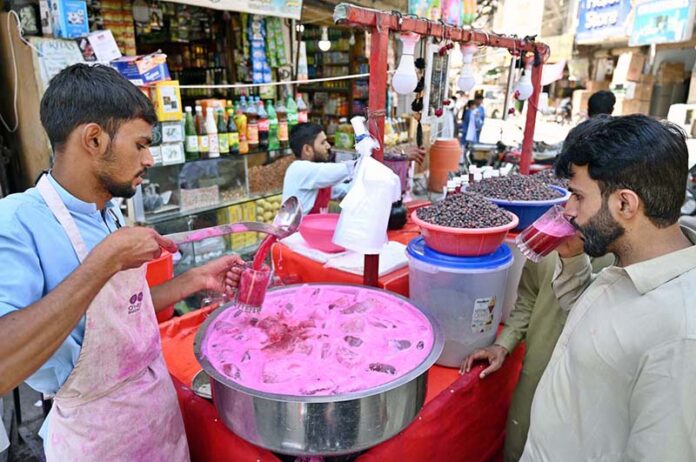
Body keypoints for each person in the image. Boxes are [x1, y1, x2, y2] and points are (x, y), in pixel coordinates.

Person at [0, 64, 244, 460]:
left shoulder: (108, 210)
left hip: (155, 412)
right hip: (96, 436)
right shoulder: (16, 222)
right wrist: (106, 260)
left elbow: (116, 310)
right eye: (140, 144)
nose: (149, 159)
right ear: (94, 139)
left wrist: (196, 279)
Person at [521, 114, 696, 461]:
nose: (568, 210)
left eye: (577, 196)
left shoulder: (681, 336)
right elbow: (595, 327)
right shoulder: (633, 267)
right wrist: (572, 261)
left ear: (625, 204)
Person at [460, 240, 613, 462]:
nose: (570, 208)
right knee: (519, 442)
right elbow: (529, 295)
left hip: (586, 393)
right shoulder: (551, 233)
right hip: (536, 376)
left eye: (579, 201)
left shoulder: (626, 252)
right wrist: (504, 342)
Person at [283, 123, 424, 215]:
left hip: (311, 236)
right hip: (294, 240)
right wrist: (395, 157)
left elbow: (347, 189)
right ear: (307, 149)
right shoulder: (299, 169)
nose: (328, 146)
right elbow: (345, 169)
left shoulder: (317, 179)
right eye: (322, 142)